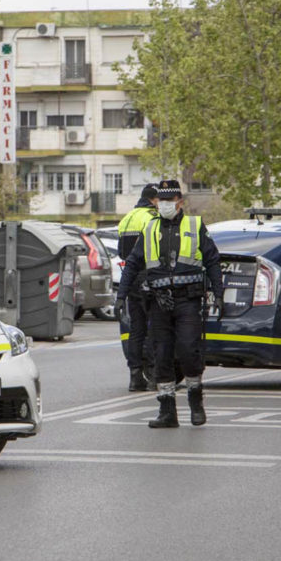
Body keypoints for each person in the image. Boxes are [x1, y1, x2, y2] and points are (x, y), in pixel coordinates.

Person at [116, 180, 224, 428]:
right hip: (158, 302)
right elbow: (133, 263)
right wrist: (121, 296)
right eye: (161, 200)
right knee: (161, 355)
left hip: (188, 300)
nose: (164, 204)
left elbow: (213, 260)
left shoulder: (195, 225)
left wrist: (218, 293)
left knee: (188, 350)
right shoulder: (150, 227)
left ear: (180, 202)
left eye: (169, 200)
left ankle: (195, 401)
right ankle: (167, 411)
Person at [116, 183, 159, 392]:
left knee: (136, 330)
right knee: (153, 328)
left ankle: (135, 377)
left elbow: (122, 252)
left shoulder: (128, 218)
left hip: (130, 277)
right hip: (148, 277)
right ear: (154, 200)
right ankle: (153, 375)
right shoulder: (151, 217)